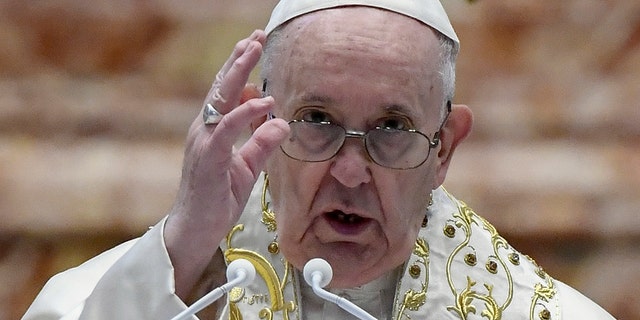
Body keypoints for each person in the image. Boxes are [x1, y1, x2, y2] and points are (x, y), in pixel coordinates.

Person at [24, 0, 616, 319]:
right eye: (316, 121)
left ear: (444, 149)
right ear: (258, 122)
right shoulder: (99, 300)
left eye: (392, 127)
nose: (351, 171)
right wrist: (181, 254)